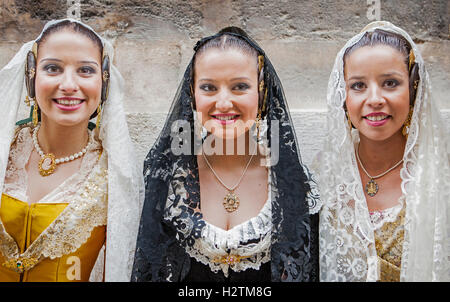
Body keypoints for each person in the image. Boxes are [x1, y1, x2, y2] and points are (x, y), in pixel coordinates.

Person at [131, 27, 320, 282]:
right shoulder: (168, 182)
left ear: (261, 93)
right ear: (192, 95)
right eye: (208, 87)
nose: (223, 103)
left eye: (240, 87)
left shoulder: (294, 185)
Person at [0, 19, 143, 282]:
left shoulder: (114, 175)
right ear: (31, 75)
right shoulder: (5, 151)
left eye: (85, 70)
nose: (68, 84)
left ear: (104, 81)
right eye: (52, 68)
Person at [312, 21, 449, 281]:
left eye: (390, 83)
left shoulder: (439, 175)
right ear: (343, 96)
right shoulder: (325, 171)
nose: (374, 99)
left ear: (413, 90)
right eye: (358, 86)